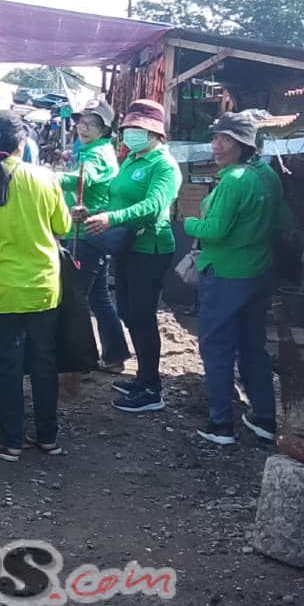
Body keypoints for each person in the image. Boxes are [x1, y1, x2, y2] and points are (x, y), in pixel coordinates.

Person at [0, 112, 72, 461]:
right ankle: (49, 437)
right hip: (43, 288)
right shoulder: (46, 178)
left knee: (7, 365)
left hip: (0, 290)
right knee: (43, 361)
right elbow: (63, 226)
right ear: (22, 144)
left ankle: (10, 441)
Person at [185, 111, 290, 446]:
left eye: (226, 139)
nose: (217, 145)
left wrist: (189, 224)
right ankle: (264, 418)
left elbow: (214, 231)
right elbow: (282, 221)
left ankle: (221, 425)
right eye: (216, 137)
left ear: (244, 144)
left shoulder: (234, 180)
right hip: (258, 271)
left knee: (216, 347)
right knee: (252, 346)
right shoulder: (267, 175)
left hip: (227, 274)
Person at [77, 98, 180, 415]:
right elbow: (115, 199)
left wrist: (112, 219)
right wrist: (93, 214)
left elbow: (152, 206)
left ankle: (151, 388)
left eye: (139, 128)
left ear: (155, 132)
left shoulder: (164, 165)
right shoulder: (133, 159)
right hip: (126, 246)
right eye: (129, 127)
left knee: (143, 317)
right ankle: (141, 377)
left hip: (151, 249)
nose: (131, 132)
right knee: (128, 313)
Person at [59, 97, 131, 373]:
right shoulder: (93, 149)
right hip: (89, 231)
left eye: (92, 124)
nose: (84, 128)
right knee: (97, 297)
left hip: (86, 234)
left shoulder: (96, 154)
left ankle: (81, 362)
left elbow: (81, 179)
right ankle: (115, 354)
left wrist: (43, 176)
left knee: (75, 298)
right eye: (82, 121)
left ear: (105, 130)